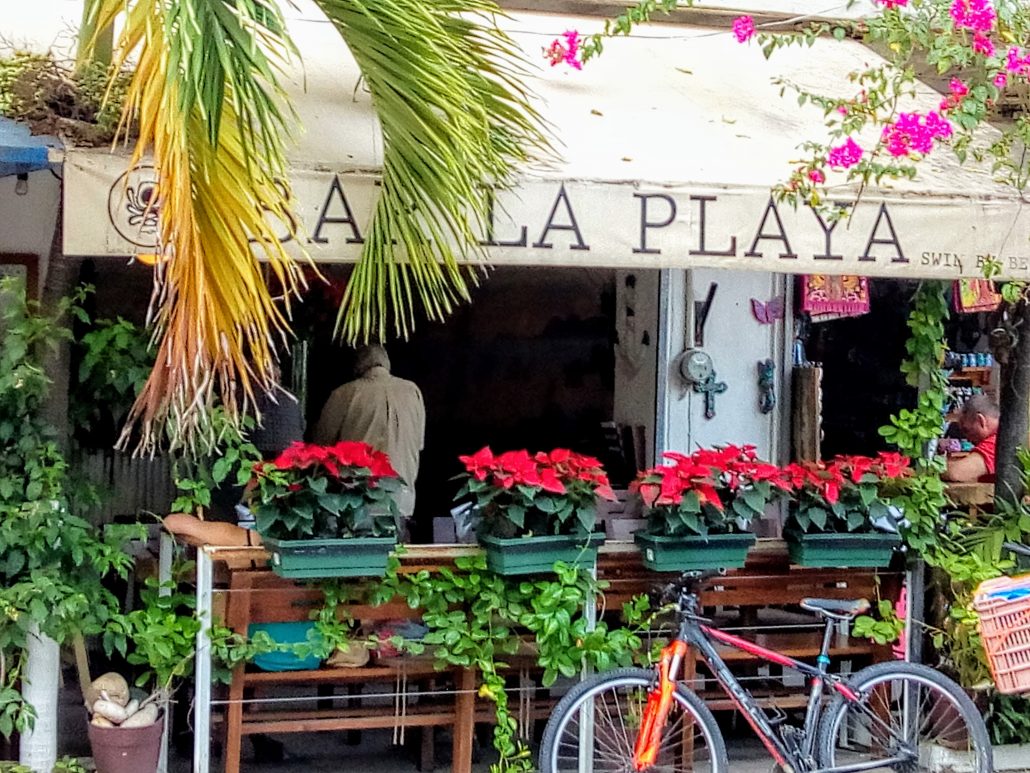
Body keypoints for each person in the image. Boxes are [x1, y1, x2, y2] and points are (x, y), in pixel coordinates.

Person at [313, 344, 425, 537]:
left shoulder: (344, 394)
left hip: (358, 502)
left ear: (358, 365)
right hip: (402, 501)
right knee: (395, 561)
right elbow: (419, 444)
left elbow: (321, 447)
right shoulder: (412, 391)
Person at [943, 394, 999, 483]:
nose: (967, 439)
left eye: (967, 430)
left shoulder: (996, 442)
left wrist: (931, 466)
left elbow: (957, 473)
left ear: (981, 420)